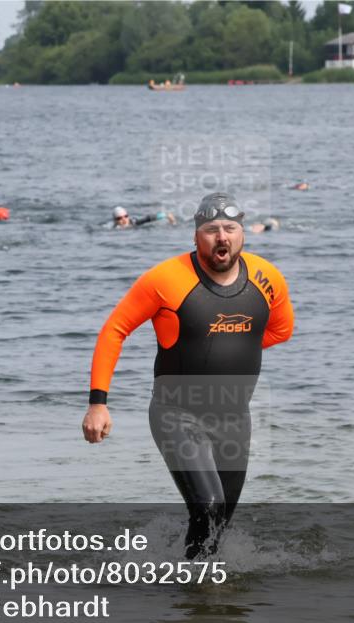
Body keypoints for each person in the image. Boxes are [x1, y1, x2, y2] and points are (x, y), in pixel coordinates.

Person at [82, 192, 294, 559]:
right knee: (209, 505)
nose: (222, 237)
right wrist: (98, 404)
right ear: (196, 236)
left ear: (242, 233)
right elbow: (114, 330)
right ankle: (191, 588)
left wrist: (229, 347)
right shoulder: (165, 278)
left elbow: (280, 331)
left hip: (234, 418)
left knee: (220, 521)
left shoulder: (267, 277)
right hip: (176, 413)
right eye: (211, 230)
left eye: (230, 228)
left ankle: (199, 603)